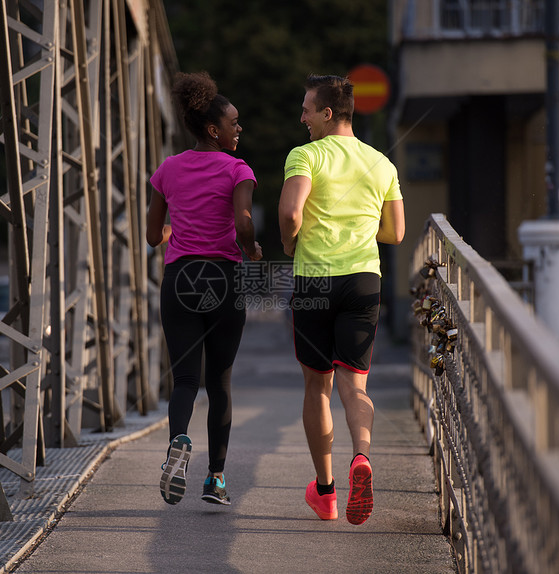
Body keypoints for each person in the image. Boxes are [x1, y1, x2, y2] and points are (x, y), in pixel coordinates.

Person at [278, 74, 405, 525]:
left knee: (318, 386)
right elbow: (396, 232)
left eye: (307, 109)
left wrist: (291, 245)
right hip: (364, 280)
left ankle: (327, 493)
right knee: (356, 385)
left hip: (316, 280)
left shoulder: (305, 156)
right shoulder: (381, 163)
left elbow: (292, 212)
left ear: (327, 114)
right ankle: (362, 458)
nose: (302, 117)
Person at [146, 71, 262, 507]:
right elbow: (244, 222)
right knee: (220, 383)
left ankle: (178, 441)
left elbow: (152, 235)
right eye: (234, 122)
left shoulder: (168, 169)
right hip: (223, 280)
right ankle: (215, 478)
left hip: (180, 280)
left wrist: (183, 227)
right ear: (214, 129)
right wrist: (249, 247)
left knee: (184, 380)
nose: (239, 128)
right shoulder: (238, 169)